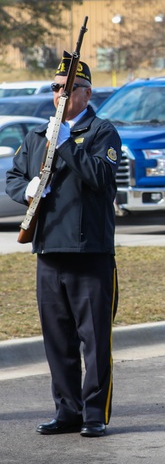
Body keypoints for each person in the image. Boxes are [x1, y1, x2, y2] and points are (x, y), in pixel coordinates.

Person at [5, 53, 121, 437]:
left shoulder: (103, 133)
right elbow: (14, 178)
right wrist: (27, 191)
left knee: (94, 340)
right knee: (58, 339)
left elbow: (100, 177)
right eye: (55, 88)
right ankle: (67, 410)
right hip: (49, 250)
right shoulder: (37, 136)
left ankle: (93, 414)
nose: (59, 95)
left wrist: (69, 144)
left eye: (67, 89)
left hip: (90, 253)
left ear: (86, 94)